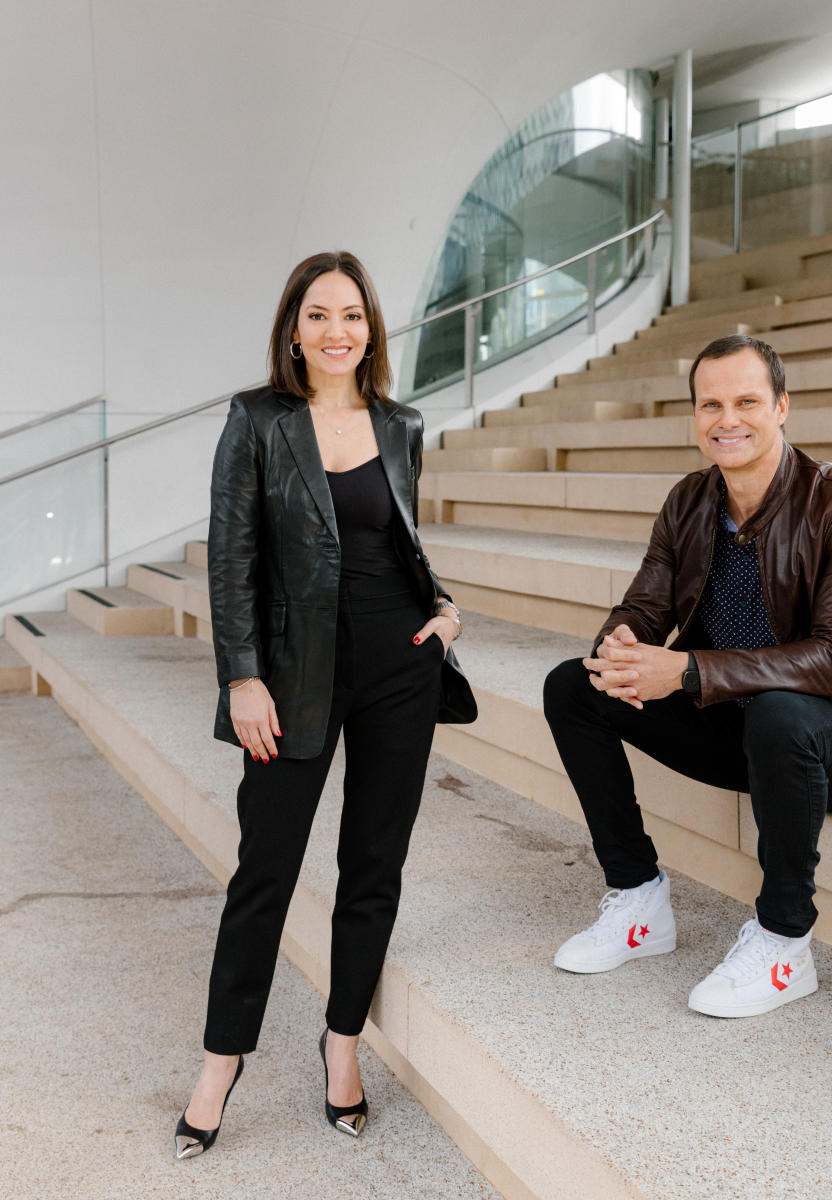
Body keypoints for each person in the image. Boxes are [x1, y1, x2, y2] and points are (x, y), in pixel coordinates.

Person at [175, 251, 476, 1157]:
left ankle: (342, 1048)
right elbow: (231, 559)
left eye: (352, 314)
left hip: (401, 661)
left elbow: (398, 542)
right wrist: (242, 674)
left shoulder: (402, 423)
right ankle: (220, 1062)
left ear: (371, 329)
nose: (337, 330)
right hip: (293, 671)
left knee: (373, 864)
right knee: (264, 869)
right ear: (293, 331)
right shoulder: (258, 422)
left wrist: (444, 610)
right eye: (318, 315)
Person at [543, 334, 832, 1018]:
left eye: (748, 401)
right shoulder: (690, 500)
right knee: (573, 686)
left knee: (779, 712)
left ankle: (785, 942)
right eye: (711, 404)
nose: (728, 419)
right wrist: (622, 647)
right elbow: (647, 603)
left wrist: (690, 671)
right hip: (738, 723)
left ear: (782, 406)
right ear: (695, 416)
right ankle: (638, 900)